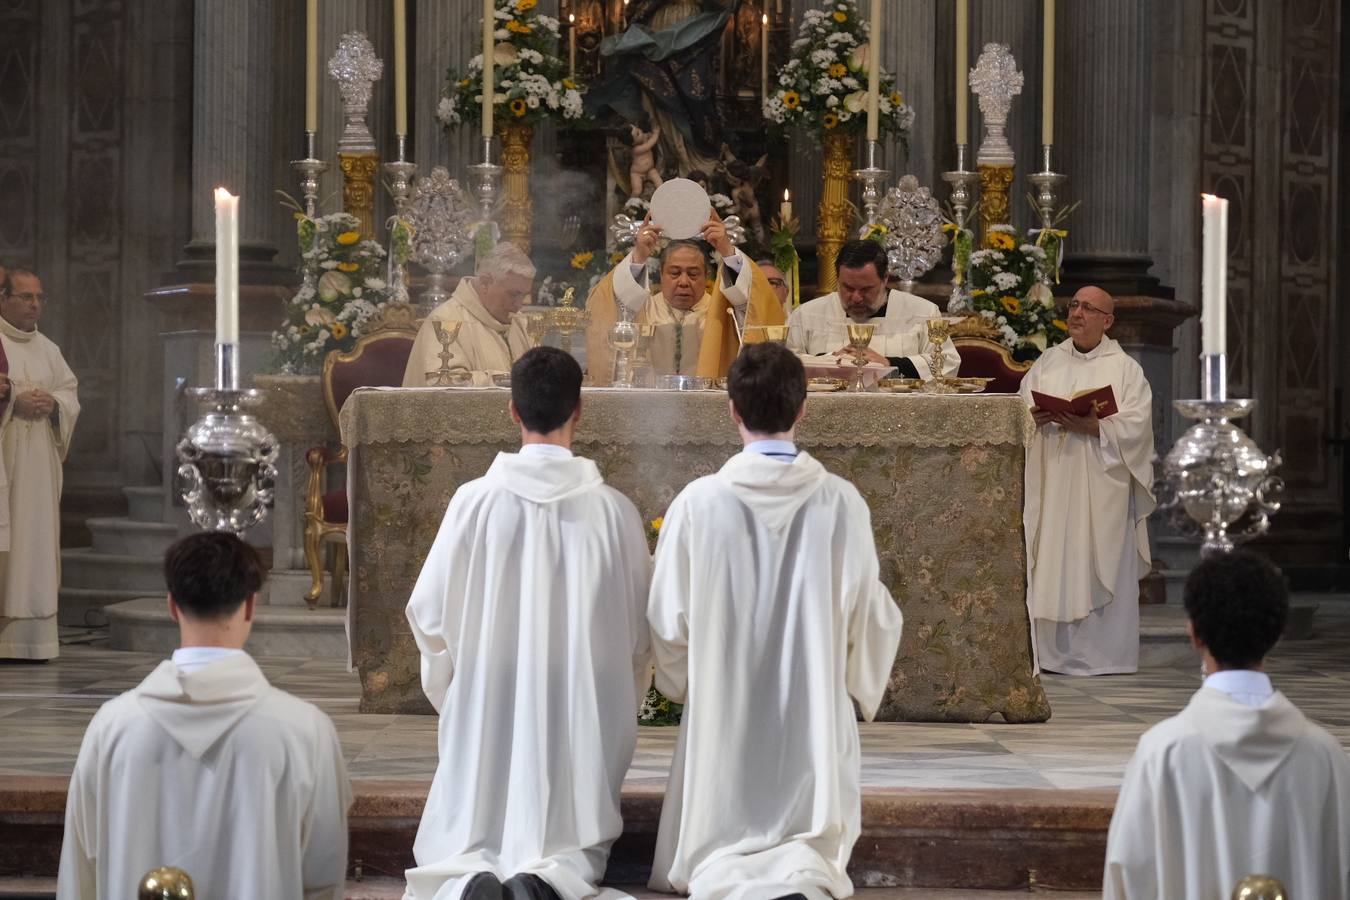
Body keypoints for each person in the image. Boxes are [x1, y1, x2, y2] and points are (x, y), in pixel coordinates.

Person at [647, 342, 904, 900]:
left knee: (720, 831)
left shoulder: (698, 503)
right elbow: (869, 611)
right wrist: (848, 676)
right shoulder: (840, 502)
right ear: (803, 408)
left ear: (732, 410)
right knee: (807, 842)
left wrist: (690, 683)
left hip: (724, 706)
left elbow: (667, 617)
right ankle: (799, 864)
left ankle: (725, 868)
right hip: (809, 704)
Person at [403, 346, 653, 900]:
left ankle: (469, 877)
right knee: (568, 832)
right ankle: (547, 876)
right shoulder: (613, 511)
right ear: (579, 411)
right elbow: (640, 632)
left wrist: (462, 690)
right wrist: (612, 691)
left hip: (491, 684)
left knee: (470, 826)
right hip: (577, 692)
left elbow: (429, 614)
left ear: (513, 410)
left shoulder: (472, 503)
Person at [57, 533, 351, 899]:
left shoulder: (112, 728)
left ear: (172, 606)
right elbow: (323, 877)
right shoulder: (305, 731)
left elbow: (79, 878)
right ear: (250, 606)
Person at [1103, 550, 1350, 899]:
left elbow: (1128, 876)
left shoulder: (1162, 753)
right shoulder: (1326, 757)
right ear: (1278, 634)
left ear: (1194, 634)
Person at [1018, 286, 1155, 675]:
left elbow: (1138, 426)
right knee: (1053, 556)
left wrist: (1097, 427)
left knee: (1099, 558)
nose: (1077, 313)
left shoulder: (1125, 369)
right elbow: (1022, 406)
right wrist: (1033, 417)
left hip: (1102, 482)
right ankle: (1051, 655)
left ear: (1107, 321)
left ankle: (1104, 656)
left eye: (1088, 308)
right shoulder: (1048, 361)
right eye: (1074, 305)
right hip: (1054, 477)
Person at [584, 211, 783, 383]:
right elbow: (611, 302)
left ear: (707, 276)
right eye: (675, 273)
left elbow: (753, 308)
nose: (684, 281)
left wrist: (727, 251)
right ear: (661, 275)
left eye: (693, 274)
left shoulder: (725, 313)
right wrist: (638, 256)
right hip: (649, 407)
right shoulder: (642, 309)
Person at [0, 267, 79, 660]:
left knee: (34, 542)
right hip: (6, 456)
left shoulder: (49, 349)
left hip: (39, 466)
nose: (34, 305)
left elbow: (69, 393)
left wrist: (55, 404)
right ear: (3, 298)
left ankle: (32, 641)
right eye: (25, 296)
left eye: (39, 298)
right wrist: (12, 403)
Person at [787, 239, 959, 379]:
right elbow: (786, 365)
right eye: (848, 288)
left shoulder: (923, 312)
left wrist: (889, 364)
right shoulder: (806, 315)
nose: (856, 297)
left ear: (885, 278)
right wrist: (831, 361)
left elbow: (948, 363)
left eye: (866, 289)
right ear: (837, 279)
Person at [403, 242, 534, 387]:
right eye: (513, 294)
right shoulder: (444, 321)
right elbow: (442, 385)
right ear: (485, 283)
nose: (519, 305)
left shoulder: (520, 323)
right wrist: (506, 380)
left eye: (523, 296)